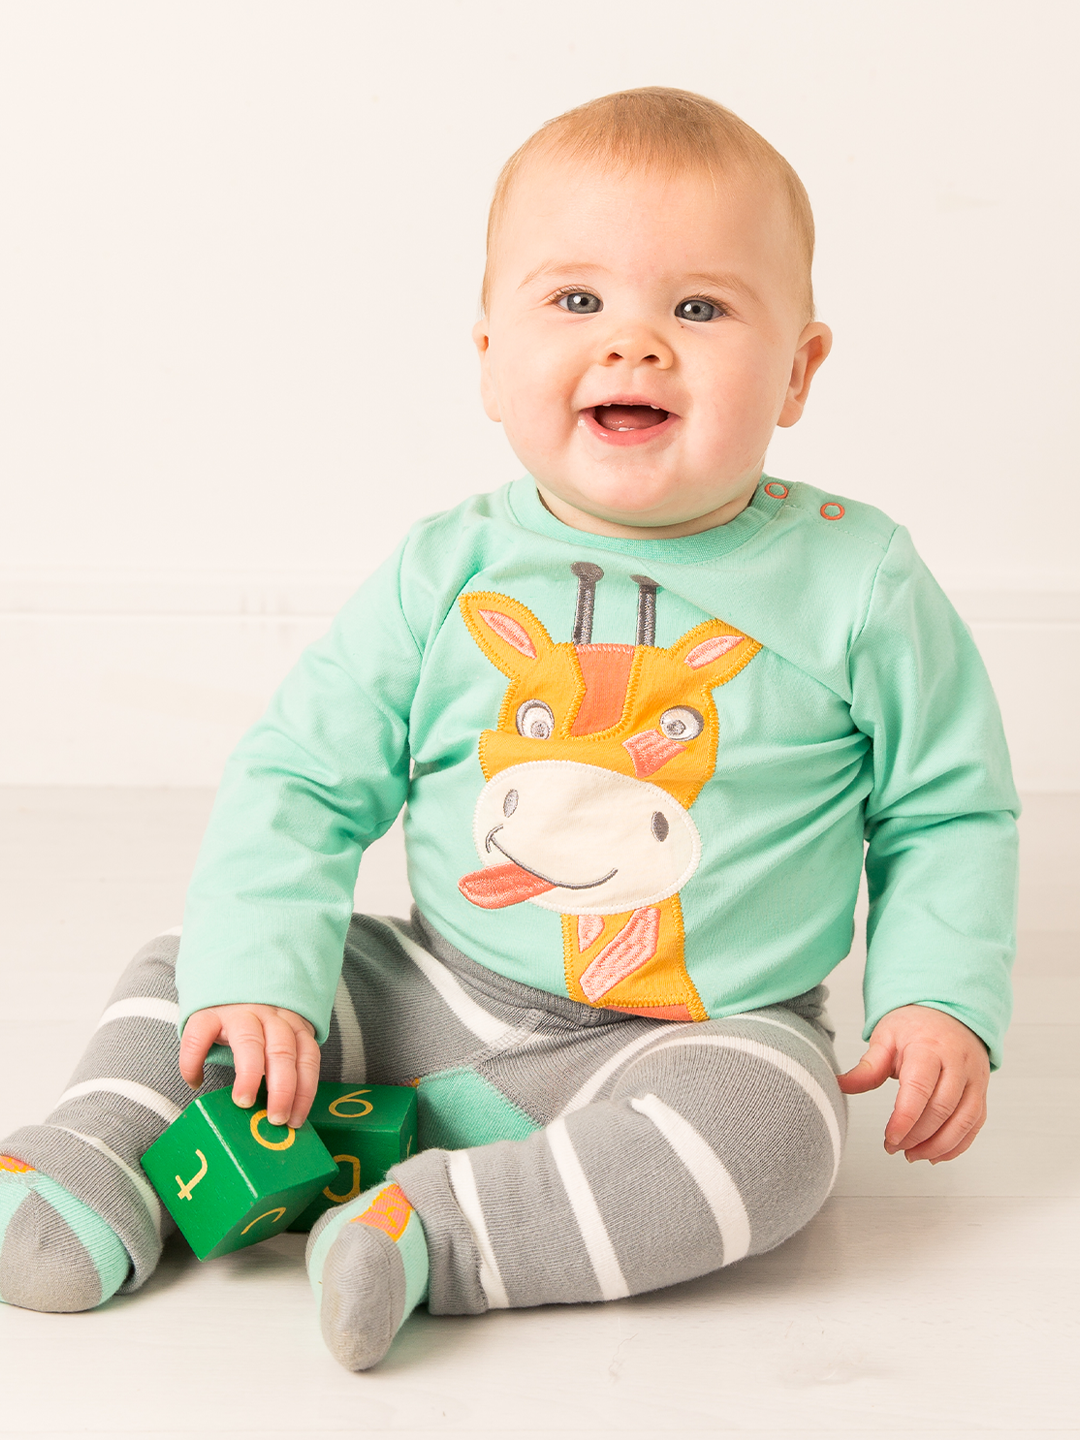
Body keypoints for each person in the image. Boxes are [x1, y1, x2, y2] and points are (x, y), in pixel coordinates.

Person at [0, 87, 1018, 1371]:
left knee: (782, 1132)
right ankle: (92, 1164)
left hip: (696, 1037)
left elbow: (946, 807)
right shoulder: (448, 571)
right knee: (195, 973)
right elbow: (304, 776)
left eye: (700, 310)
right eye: (577, 300)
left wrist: (936, 998)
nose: (635, 345)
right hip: (439, 996)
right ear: (488, 357)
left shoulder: (857, 582)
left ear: (800, 371)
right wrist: (258, 976)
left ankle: (437, 1234)